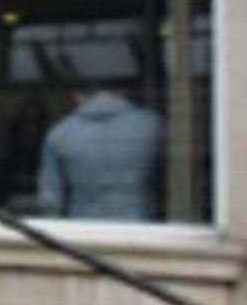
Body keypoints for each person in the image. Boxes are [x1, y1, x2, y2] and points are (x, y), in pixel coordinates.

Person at [37, 84, 163, 221]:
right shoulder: (153, 125)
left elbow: (50, 202)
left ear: (78, 96)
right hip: (142, 228)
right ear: (123, 91)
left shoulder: (59, 133)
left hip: (84, 229)